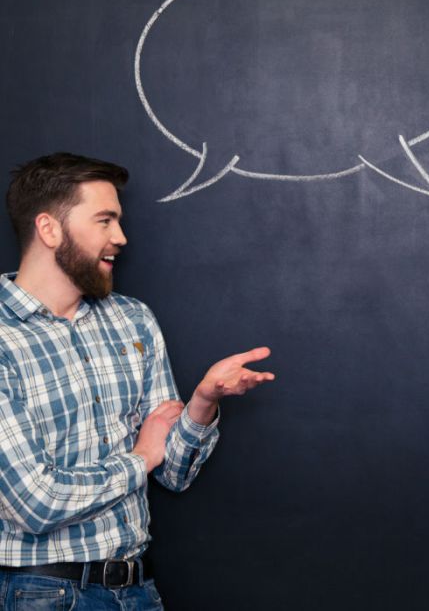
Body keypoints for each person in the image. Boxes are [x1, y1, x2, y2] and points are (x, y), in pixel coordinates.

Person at [0, 152, 275, 608]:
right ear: (49, 229)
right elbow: (35, 503)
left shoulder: (133, 321)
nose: (121, 238)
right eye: (104, 221)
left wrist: (202, 404)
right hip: (41, 593)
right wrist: (141, 455)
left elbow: (174, 472)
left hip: (137, 591)